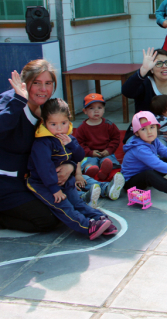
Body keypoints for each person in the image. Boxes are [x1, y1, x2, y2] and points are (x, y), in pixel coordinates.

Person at [0, 61, 73, 233]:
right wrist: (19, 99)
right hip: (6, 183)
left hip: (30, 180)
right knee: (47, 220)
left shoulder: (48, 108)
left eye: (48, 83)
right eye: (36, 83)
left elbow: (66, 143)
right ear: (25, 83)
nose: (43, 89)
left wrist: (70, 165)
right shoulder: (11, 99)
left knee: (64, 209)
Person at [26, 99, 114, 240]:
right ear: (44, 123)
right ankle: (88, 227)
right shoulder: (42, 142)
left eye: (63, 123)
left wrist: (72, 144)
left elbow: (79, 156)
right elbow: (44, 169)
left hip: (65, 180)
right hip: (44, 184)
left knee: (78, 202)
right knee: (64, 206)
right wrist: (54, 189)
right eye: (53, 124)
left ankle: (102, 220)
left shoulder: (68, 137)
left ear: (69, 120)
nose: (59, 128)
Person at [74, 93, 121, 181]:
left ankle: (106, 172)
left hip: (106, 152)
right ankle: (90, 171)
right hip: (90, 154)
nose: (96, 111)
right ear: (85, 111)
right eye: (91, 108)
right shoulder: (81, 128)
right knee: (90, 162)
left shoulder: (109, 125)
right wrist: (90, 152)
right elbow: (79, 144)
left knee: (109, 160)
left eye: (99, 108)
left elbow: (115, 139)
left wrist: (108, 150)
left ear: (104, 110)